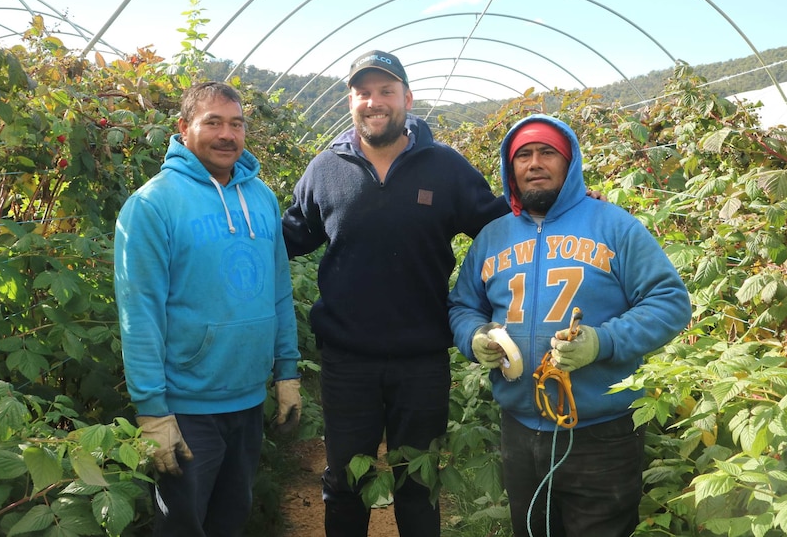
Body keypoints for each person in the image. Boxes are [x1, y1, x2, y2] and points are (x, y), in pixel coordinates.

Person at [281, 50, 511, 536]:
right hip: (347, 359)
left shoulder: (445, 167)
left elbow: (500, 230)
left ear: (407, 98)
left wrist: (566, 210)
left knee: (419, 481)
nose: (374, 101)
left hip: (421, 358)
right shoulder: (326, 169)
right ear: (351, 102)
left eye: (385, 91)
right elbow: (288, 237)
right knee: (345, 480)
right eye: (363, 92)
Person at [448, 114, 692, 537]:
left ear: (570, 162)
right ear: (511, 169)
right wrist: (474, 335)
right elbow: (463, 305)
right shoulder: (492, 237)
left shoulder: (614, 226)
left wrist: (602, 341)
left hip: (602, 433)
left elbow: (670, 302)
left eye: (547, 152)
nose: (534, 163)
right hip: (520, 430)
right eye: (523, 155)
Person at [114, 81, 302, 537]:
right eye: (213, 122)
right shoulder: (152, 205)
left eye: (236, 124)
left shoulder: (260, 198)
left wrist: (288, 372)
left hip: (247, 397)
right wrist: (153, 411)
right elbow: (139, 314)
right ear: (183, 128)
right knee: (183, 526)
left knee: (230, 520)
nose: (227, 135)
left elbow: (277, 291)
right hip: (185, 408)